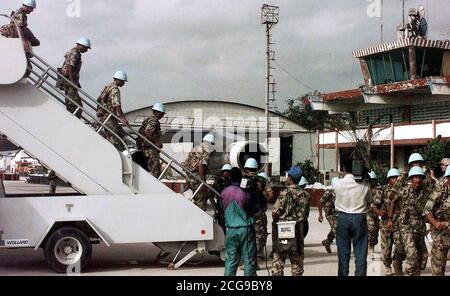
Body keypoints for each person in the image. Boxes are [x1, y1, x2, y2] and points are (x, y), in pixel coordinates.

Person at [395, 167, 437, 276]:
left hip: (419, 227)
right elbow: (392, 202)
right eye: (415, 177)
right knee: (412, 254)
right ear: (411, 179)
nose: (417, 180)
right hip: (406, 226)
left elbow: (437, 196)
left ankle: (414, 272)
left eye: (420, 177)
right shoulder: (404, 191)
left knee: (422, 257)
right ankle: (402, 267)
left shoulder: (427, 192)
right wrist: (391, 219)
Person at [334, 159, 371, 276]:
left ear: (344, 169)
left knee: (343, 254)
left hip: (342, 218)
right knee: (360, 253)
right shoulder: (365, 184)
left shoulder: (337, 183)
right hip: (359, 218)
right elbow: (370, 200)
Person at [272, 166, 308, 276]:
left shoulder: (284, 193)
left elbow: (275, 212)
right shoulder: (306, 195)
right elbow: (306, 214)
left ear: (290, 178)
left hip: (283, 230)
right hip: (297, 230)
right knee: (297, 263)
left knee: (278, 261)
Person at [222, 168, 257, 276]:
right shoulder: (245, 193)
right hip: (245, 229)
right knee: (249, 260)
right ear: (241, 178)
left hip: (231, 230)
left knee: (231, 260)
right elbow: (254, 208)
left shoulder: (224, 192)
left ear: (230, 178)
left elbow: (221, 208)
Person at [374, 169, 406, 276]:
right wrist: (379, 212)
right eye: (393, 178)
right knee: (386, 250)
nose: (395, 180)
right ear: (389, 179)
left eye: (397, 178)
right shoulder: (382, 190)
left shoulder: (402, 190)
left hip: (398, 224)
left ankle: (397, 262)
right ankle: (387, 266)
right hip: (385, 225)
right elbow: (373, 204)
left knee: (401, 247)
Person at [0, 0, 40, 78]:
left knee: (36, 43)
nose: (32, 11)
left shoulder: (21, 13)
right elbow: (19, 28)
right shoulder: (20, 14)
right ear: (27, 6)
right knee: (28, 68)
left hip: (17, 34)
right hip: (14, 35)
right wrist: (23, 41)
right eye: (31, 8)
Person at [423, 165, 450, 276]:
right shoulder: (439, 191)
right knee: (438, 269)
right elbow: (426, 211)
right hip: (441, 233)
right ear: (448, 178)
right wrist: (435, 223)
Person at [96, 71, 130, 151]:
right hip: (108, 118)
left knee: (121, 133)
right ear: (120, 80)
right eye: (123, 81)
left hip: (103, 115)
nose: (124, 83)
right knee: (114, 140)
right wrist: (122, 118)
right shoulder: (115, 89)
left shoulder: (108, 86)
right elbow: (116, 104)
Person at [182, 134, 215, 211]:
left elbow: (187, 163)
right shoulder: (206, 150)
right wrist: (204, 182)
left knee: (196, 199)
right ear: (210, 143)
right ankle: (200, 220)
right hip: (197, 178)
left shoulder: (196, 148)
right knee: (201, 201)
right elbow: (201, 165)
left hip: (189, 177)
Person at [60, 38, 91, 119]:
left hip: (69, 80)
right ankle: (73, 120)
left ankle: (73, 119)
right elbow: (70, 66)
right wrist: (72, 81)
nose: (86, 50)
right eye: (86, 48)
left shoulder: (74, 52)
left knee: (74, 104)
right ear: (82, 45)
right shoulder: (75, 53)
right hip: (69, 81)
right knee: (75, 104)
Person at [137, 103, 165, 178]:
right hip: (150, 149)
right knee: (154, 171)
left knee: (147, 170)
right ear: (157, 112)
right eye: (162, 114)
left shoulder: (148, 119)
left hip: (145, 148)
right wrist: (156, 142)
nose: (162, 116)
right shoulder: (154, 120)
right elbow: (147, 131)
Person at [318, 177, 339, 254]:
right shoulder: (329, 192)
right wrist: (320, 215)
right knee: (337, 228)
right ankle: (342, 249)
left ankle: (327, 241)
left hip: (338, 213)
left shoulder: (341, 191)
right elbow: (320, 202)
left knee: (336, 227)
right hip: (330, 213)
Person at [367, 171, 381, 254]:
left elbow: (379, 202)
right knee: (370, 228)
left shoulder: (378, 191)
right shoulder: (365, 189)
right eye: (370, 180)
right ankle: (369, 245)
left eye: (373, 180)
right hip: (367, 214)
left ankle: (372, 244)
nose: (371, 182)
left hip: (376, 214)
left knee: (375, 234)